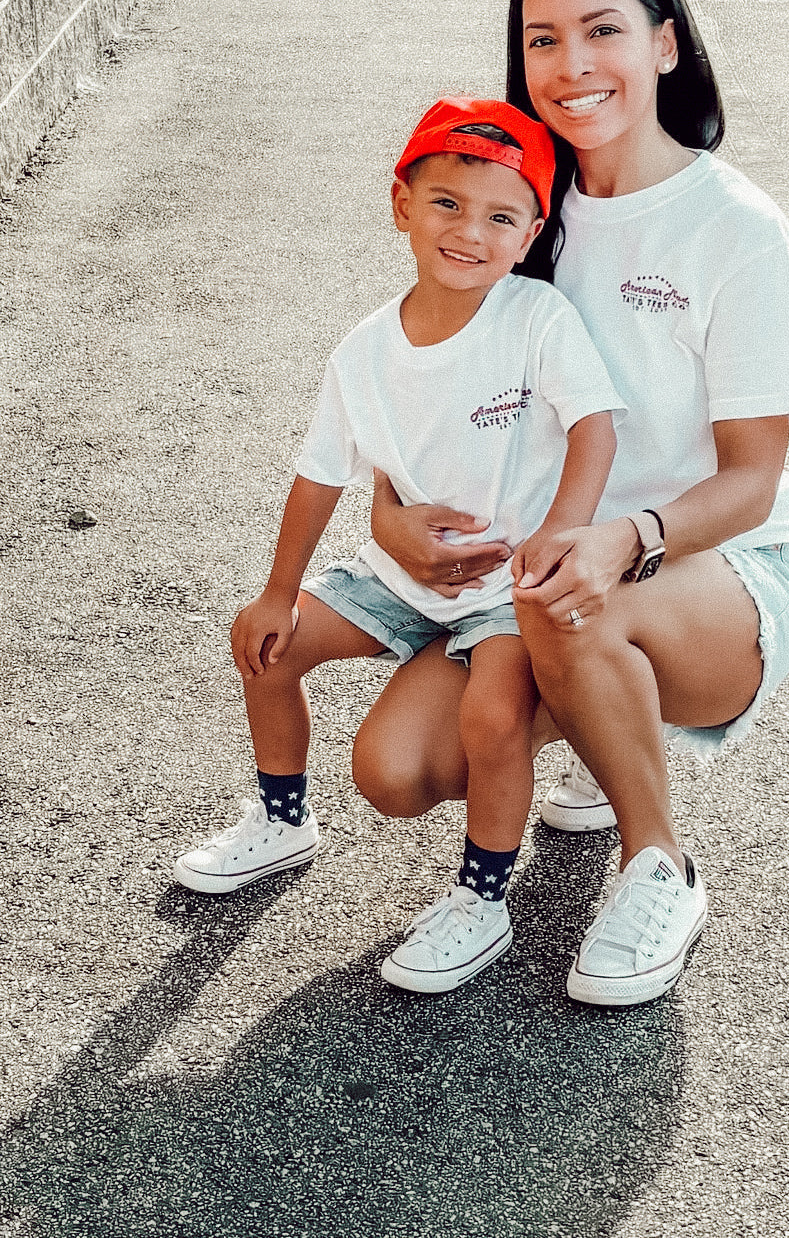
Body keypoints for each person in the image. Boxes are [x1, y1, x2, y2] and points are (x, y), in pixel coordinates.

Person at [354, 0, 789, 1009]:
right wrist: (387, 511)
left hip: (721, 570)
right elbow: (417, 366)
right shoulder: (518, 202)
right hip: (548, 575)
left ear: (664, 44)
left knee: (571, 597)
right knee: (396, 767)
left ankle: (659, 865)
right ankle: (610, 723)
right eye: (543, 40)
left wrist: (626, 537)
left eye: (602, 31)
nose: (572, 66)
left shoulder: (737, 229)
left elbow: (751, 481)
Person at [174, 96, 621, 993]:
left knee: (491, 715)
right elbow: (319, 475)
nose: (470, 231)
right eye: (447, 203)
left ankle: (482, 898)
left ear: (530, 236)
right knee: (265, 645)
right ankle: (283, 820)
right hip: (400, 579)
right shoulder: (364, 351)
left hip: (507, 589)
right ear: (402, 204)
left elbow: (595, 428)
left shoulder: (535, 317)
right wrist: (277, 591)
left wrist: (556, 535)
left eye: (501, 217)